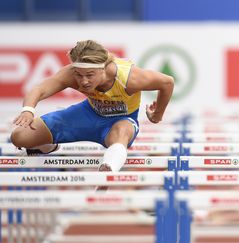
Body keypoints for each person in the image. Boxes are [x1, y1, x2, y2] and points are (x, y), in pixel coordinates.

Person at [10, 40, 174, 182]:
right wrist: (28, 110)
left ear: (103, 69)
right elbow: (40, 89)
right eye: (79, 75)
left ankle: (108, 170)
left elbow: (167, 82)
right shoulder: (71, 74)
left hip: (120, 122)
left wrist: (157, 114)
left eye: (90, 75)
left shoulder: (129, 78)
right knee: (19, 137)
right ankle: (48, 146)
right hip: (87, 115)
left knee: (121, 131)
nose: (84, 81)